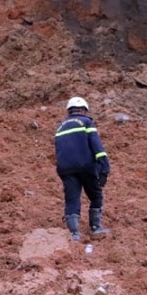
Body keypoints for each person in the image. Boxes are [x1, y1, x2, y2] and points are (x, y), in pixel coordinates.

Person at [54, 96, 111, 241]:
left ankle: (74, 233)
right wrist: (104, 167)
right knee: (96, 195)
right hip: (86, 166)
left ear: (69, 111)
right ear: (84, 110)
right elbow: (97, 146)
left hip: (65, 169)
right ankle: (95, 227)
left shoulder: (60, 127)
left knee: (72, 199)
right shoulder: (86, 122)